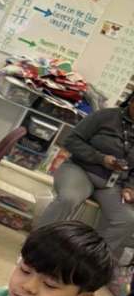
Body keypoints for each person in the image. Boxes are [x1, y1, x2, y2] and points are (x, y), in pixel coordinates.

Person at [40, 95, 134, 260]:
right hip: (80, 169)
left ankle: (90, 262)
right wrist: (100, 158)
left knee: (126, 219)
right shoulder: (105, 116)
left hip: (112, 184)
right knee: (68, 199)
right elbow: (71, 140)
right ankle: (37, 248)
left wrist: (130, 187)